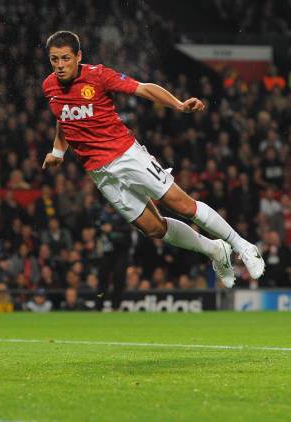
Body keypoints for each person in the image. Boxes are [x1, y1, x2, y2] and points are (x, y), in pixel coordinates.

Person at [40, 31, 265, 287]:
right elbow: (64, 118)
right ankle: (215, 250)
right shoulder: (49, 86)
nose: (59, 65)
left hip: (127, 156)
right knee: (153, 229)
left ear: (78, 56)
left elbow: (144, 89)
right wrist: (58, 152)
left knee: (183, 206)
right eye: (54, 59)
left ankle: (244, 247)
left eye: (65, 58)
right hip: (100, 173)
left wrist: (179, 105)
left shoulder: (98, 75)